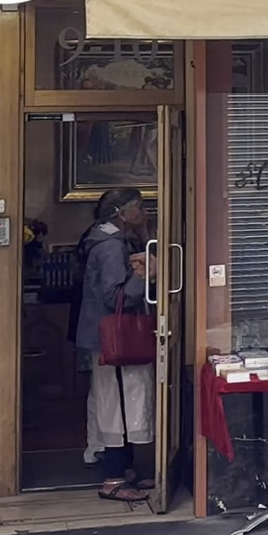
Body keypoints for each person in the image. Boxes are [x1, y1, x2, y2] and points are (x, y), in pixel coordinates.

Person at [75, 188, 154, 503]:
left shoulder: (111, 240)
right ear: (121, 213)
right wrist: (143, 274)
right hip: (113, 339)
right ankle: (114, 478)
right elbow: (115, 296)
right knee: (118, 403)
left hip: (106, 336)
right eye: (140, 208)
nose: (144, 213)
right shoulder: (110, 247)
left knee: (119, 401)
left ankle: (126, 470)